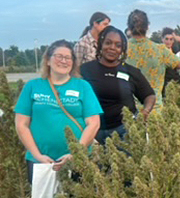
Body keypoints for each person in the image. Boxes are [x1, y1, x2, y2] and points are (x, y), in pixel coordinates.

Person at [14, 40, 103, 184]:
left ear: (73, 62)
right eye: (58, 56)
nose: (63, 61)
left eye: (68, 58)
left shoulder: (83, 86)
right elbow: (21, 124)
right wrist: (37, 155)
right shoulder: (32, 86)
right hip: (41, 161)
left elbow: (93, 123)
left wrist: (76, 153)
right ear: (48, 60)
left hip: (78, 159)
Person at [81, 26, 156, 145]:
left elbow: (149, 95)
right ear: (101, 44)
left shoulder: (131, 71)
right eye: (108, 43)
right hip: (92, 133)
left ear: (122, 49)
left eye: (118, 45)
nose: (112, 48)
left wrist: (145, 111)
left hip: (124, 132)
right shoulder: (85, 70)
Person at [126, 9, 180, 109]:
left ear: (129, 28)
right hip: (154, 110)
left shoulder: (121, 50)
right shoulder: (160, 50)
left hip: (128, 112)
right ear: (147, 27)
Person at [160, 27, 180, 97]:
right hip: (163, 85)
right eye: (166, 39)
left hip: (175, 83)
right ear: (162, 39)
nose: (168, 41)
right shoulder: (159, 52)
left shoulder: (175, 52)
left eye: (171, 39)